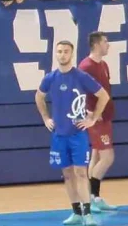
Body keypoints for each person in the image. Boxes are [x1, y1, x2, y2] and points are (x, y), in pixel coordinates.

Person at [35, 40, 112, 226]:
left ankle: (88, 213)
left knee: (81, 173)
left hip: (77, 134)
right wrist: (46, 118)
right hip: (59, 135)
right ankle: (76, 212)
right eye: (59, 51)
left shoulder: (80, 76)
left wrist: (92, 119)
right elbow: (39, 96)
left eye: (66, 52)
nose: (62, 55)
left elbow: (104, 95)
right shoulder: (50, 78)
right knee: (67, 174)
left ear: (72, 54)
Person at [78, 32, 118, 213]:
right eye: (105, 42)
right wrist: (89, 111)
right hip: (96, 119)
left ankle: (93, 197)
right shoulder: (86, 66)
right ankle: (91, 197)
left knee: (96, 156)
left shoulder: (104, 65)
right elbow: (78, 89)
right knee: (108, 157)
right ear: (96, 44)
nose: (108, 45)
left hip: (105, 115)